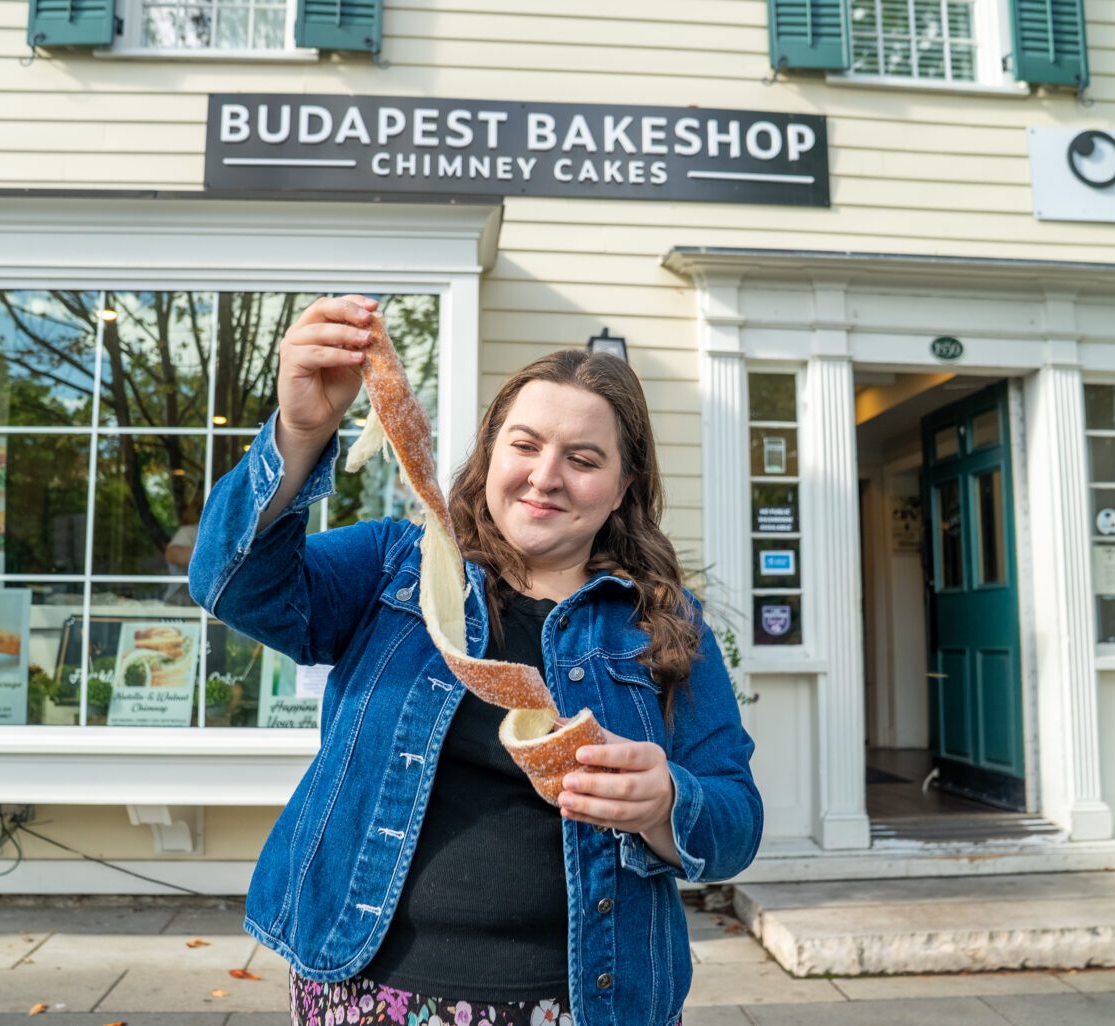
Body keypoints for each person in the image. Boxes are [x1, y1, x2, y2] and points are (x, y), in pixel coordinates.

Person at [188, 295, 763, 1026]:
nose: (545, 476)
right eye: (524, 446)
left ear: (622, 489)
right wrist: (301, 433)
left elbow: (736, 818)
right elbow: (231, 584)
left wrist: (669, 804)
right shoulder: (393, 567)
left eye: (583, 460)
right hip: (365, 988)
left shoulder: (664, 625)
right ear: (489, 453)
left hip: (585, 1003)